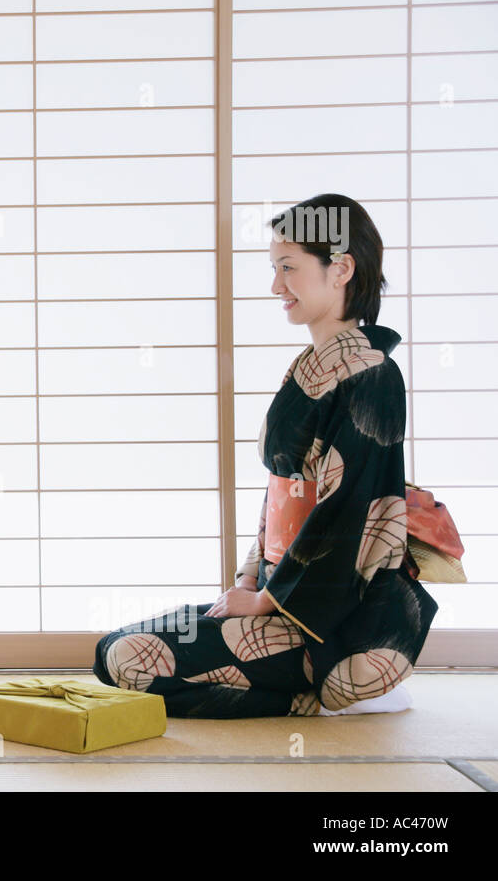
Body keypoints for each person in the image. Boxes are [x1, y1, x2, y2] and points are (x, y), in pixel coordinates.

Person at [92, 193, 439, 718]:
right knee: (111, 648)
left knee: (128, 661)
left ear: (341, 268)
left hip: (331, 623)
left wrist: (269, 603)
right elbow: (279, 496)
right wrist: (248, 581)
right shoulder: (307, 367)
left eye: (288, 268)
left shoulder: (372, 378)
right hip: (275, 594)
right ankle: (304, 693)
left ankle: (339, 687)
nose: (276, 285)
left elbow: (350, 517)